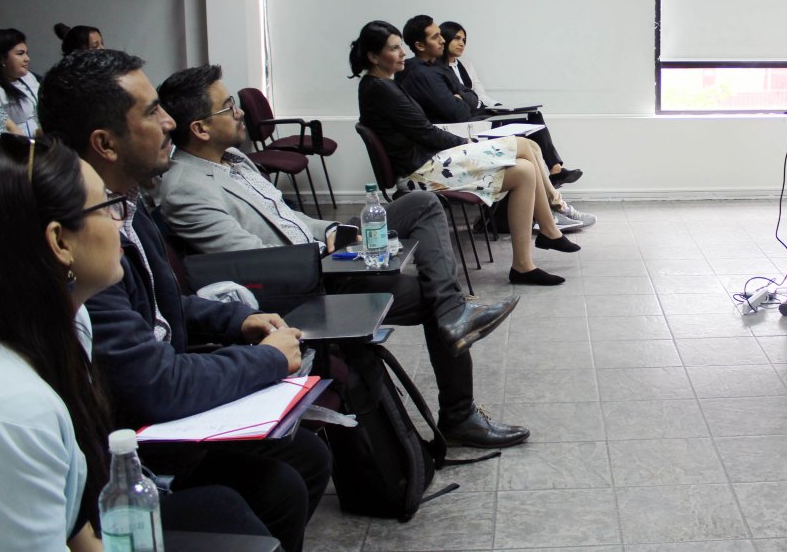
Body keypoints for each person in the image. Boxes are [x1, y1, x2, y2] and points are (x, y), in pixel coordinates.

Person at [38, 49, 330, 552]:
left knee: (304, 458)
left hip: (150, 417)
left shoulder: (126, 201)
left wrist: (237, 320)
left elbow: (158, 303)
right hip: (130, 450)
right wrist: (264, 360)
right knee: (266, 488)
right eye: (152, 111)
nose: (170, 122)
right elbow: (153, 385)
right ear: (104, 143)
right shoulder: (85, 248)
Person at [151, 64, 531, 448]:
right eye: (228, 106)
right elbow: (249, 260)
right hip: (303, 286)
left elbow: (289, 217)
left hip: (320, 258)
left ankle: (454, 313)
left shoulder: (234, 159)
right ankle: (459, 407)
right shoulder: (186, 188)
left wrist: (333, 231)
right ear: (199, 129)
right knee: (432, 298)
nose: (239, 112)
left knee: (422, 204)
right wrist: (325, 252)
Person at [0, 136, 272, 551]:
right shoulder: (9, 411)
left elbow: (76, 521)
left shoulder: (70, 319)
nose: (120, 223)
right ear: (60, 242)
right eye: (106, 208)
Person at [352, 20, 581, 286]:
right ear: (373, 56)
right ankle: (549, 229)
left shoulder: (383, 85)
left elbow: (436, 121)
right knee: (522, 144)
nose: (403, 53)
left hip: (429, 163)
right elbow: (426, 131)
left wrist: (466, 138)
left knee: (526, 169)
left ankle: (524, 265)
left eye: (401, 47)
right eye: (394, 48)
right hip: (421, 172)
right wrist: (467, 142)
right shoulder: (380, 89)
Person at [397, 15, 595, 229]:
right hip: (460, 135)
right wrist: (463, 99)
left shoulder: (440, 67)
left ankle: (552, 209)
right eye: (438, 37)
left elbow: (471, 96)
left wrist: (463, 97)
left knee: (532, 133)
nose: (444, 41)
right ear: (419, 45)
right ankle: (552, 212)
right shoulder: (420, 73)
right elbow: (459, 113)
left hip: (467, 128)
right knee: (527, 147)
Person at [439, 20, 583, 187]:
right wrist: (471, 100)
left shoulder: (466, 65)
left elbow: (480, 95)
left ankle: (556, 168)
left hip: (483, 110)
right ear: (445, 38)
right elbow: (461, 101)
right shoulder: (438, 69)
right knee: (521, 128)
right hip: (471, 120)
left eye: (464, 40)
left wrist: (501, 108)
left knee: (533, 115)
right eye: (456, 38)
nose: (461, 43)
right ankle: (541, 179)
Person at [0, 28, 40, 136]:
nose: (27, 59)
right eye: (20, 54)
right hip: (18, 147)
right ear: (1, 58)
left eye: (27, 53)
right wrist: (37, 133)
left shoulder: (28, 77)